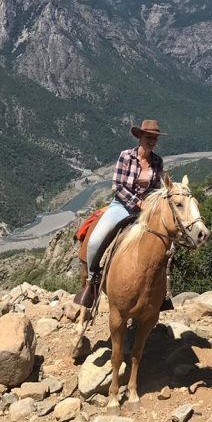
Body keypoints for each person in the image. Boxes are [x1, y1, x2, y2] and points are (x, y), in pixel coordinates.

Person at [74, 119, 166, 308]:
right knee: (95, 241)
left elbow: (156, 188)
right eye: (149, 136)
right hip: (122, 206)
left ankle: (162, 291)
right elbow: (117, 186)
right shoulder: (126, 156)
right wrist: (137, 202)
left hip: (146, 209)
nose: (152, 140)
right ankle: (92, 282)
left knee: (165, 244)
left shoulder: (157, 161)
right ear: (140, 136)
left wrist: (151, 204)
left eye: (155, 138)